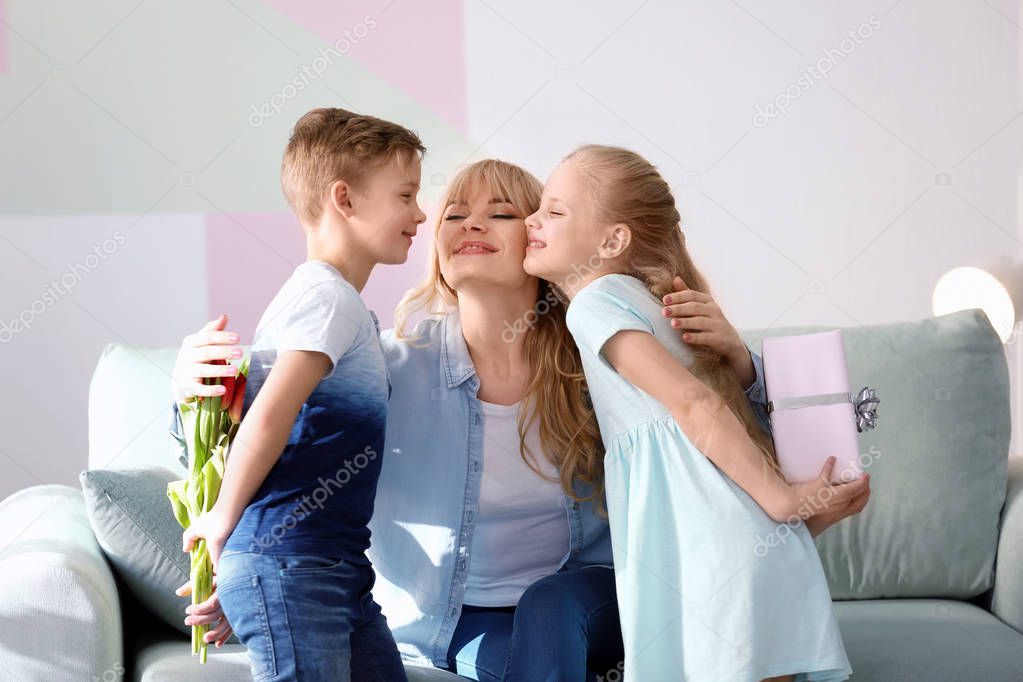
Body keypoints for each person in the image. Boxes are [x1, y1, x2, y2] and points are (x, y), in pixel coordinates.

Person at [172, 157, 870, 681]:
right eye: (453, 214)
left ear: (537, 243)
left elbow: (720, 449)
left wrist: (738, 362)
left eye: (502, 212)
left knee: (550, 606)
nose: (471, 223)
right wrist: (193, 390)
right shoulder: (386, 365)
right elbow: (273, 439)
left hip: (581, 599)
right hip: (446, 623)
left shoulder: (598, 355)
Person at [522, 144, 867, 681]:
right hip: (751, 560)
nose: (531, 220)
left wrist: (783, 501)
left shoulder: (594, 303)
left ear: (613, 240)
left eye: (554, 211)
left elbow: (694, 402)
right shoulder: (651, 302)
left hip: (716, 568)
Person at [179, 107, 427, 681]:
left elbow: (279, 433)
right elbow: (268, 418)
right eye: (406, 195)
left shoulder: (331, 304)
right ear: (345, 199)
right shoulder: (327, 298)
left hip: (327, 567)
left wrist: (244, 563)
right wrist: (224, 526)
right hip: (297, 566)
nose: (419, 214)